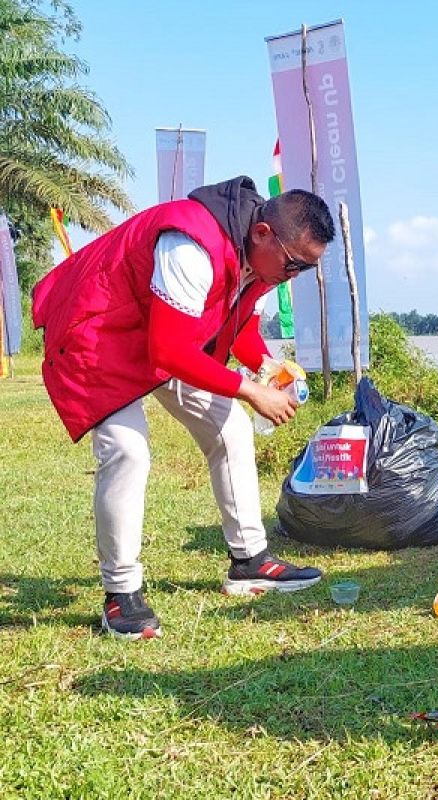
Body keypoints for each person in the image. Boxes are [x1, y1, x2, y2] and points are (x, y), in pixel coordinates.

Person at [32, 176, 336, 641]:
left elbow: (237, 327)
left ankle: (249, 560)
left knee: (230, 427)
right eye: (294, 264)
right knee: (128, 451)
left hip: (158, 333)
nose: (293, 276)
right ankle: (121, 593)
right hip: (98, 333)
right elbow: (169, 352)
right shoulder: (190, 245)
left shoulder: (261, 257)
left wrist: (269, 366)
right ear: (262, 234)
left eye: (306, 269)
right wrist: (253, 391)